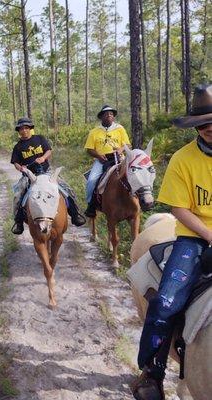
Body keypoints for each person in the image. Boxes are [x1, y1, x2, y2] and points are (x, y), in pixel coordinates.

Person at [131, 84, 212, 400]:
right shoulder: (183, 159)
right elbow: (178, 208)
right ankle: (152, 372)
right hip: (194, 238)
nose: (208, 130)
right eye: (202, 124)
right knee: (165, 302)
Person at [10, 117, 86, 235]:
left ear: (30, 129)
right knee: (18, 195)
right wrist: (21, 168)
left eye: (26, 128)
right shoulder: (18, 147)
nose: (24, 130)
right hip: (29, 175)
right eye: (21, 129)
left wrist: (43, 158)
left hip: (46, 171)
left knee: (66, 188)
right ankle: (18, 222)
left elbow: (48, 151)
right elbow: (15, 162)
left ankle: (76, 214)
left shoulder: (39, 139)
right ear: (18, 131)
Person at [83, 105, 131, 217]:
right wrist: (98, 155)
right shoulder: (94, 132)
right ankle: (91, 205)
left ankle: (140, 200)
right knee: (91, 180)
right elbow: (89, 149)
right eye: (106, 114)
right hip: (102, 161)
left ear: (113, 117)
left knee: (134, 174)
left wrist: (121, 149)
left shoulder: (120, 129)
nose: (109, 115)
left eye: (111, 114)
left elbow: (127, 144)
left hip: (119, 159)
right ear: (101, 117)